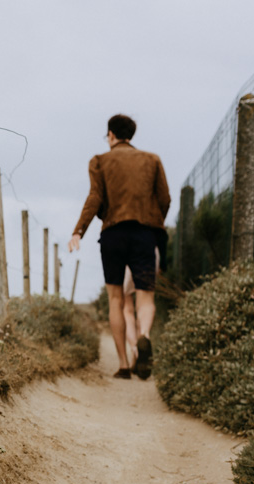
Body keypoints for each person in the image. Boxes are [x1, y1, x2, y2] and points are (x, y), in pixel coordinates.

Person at [68, 114, 170, 380]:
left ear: (111, 134)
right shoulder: (152, 160)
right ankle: (145, 336)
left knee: (116, 299)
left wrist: (79, 231)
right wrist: (153, 221)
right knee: (145, 296)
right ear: (131, 135)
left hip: (112, 233)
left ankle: (124, 365)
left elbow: (95, 197)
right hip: (145, 233)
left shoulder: (100, 161)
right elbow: (165, 199)